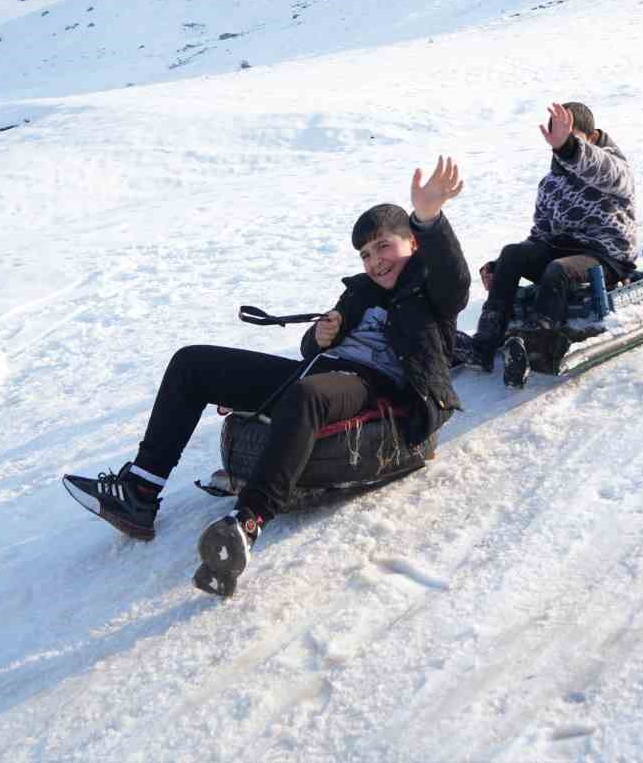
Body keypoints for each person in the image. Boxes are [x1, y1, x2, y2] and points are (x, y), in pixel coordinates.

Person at [62, 158, 470, 597]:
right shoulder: (359, 292)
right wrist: (319, 337)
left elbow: (456, 278)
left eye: (384, 247)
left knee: (307, 395)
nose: (375, 261)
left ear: (411, 242)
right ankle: (140, 490)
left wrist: (429, 217)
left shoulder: (429, 287)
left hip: (377, 386)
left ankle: (248, 522)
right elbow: (312, 352)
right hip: (323, 375)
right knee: (192, 362)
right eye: (366, 255)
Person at [468, 102, 637, 387]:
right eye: (557, 139)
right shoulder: (550, 183)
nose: (562, 147)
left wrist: (569, 147)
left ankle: (538, 340)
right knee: (512, 253)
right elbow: (540, 235)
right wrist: (501, 267)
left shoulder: (615, 170)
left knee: (558, 270)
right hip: (561, 251)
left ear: (592, 138)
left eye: (572, 138)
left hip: (605, 256)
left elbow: (597, 165)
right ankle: (486, 338)